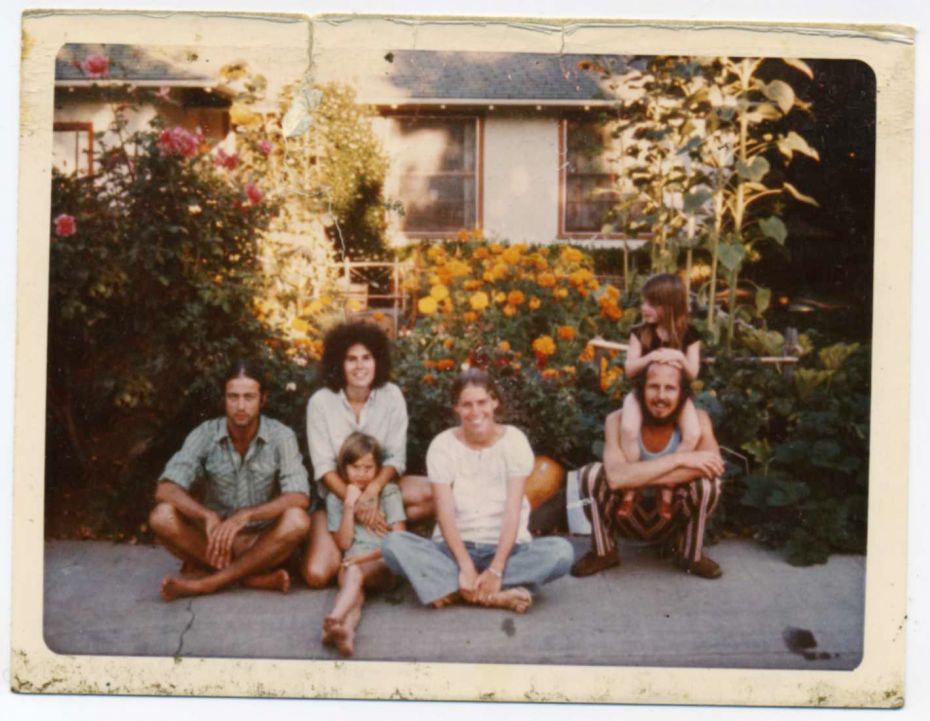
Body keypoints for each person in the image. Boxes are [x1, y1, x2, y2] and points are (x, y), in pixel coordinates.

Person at [381, 368, 574, 612]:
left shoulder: (514, 441)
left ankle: (455, 590)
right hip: (452, 551)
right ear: (456, 408)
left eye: (482, 402)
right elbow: (445, 514)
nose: (475, 412)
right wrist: (465, 566)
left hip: (509, 550)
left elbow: (512, 511)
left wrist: (496, 568)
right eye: (466, 405)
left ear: (494, 401)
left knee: (561, 553)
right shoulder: (442, 445)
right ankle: (492, 596)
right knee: (392, 544)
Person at [149, 360, 311, 601]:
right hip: (214, 541)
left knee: (297, 520)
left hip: (262, 541)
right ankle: (251, 577)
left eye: (249, 397)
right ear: (224, 399)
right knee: (162, 516)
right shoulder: (205, 433)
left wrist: (248, 515)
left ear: (262, 399)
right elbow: (165, 489)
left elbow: (299, 496)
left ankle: (208, 583)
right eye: (233, 397)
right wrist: (206, 516)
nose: (241, 406)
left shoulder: (281, 436)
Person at [302, 322, 432, 588]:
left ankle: (379, 538)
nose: (360, 366)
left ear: (377, 361)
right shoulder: (321, 402)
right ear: (339, 363)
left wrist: (372, 491)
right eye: (351, 359)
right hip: (337, 499)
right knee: (316, 575)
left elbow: (396, 458)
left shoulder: (391, 395)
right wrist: (355, 503)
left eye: (366, 358)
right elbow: (324, 468)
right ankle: (357, 544)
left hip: (382, 490)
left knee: (434, 494)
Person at [571, 360, 726, 579]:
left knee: (708, 484)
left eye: (670, 388)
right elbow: (615, 478)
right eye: (654, 386)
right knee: (591, 474)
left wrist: (635, 476)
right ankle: (604, 552)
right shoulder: (616, 420)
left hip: (672, 515)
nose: (661, 396)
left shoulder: (699, 420)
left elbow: (714, 465)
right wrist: (679, 460)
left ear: (682, 393)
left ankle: (690, 554)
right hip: (626, 516)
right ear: (641, 390)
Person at [618, 272, 703, 520]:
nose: (644, 308)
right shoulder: (640, 333)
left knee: (693, 434)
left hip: (678, 398)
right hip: (641, 394)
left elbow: (693, 374)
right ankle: (631, 487)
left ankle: (666, 488)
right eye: (644, 302)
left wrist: (678, 357)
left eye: (651, 304)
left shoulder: (689, 335)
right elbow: (630, 369)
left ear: (670, 306)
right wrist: (650, 357)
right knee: (629, 429)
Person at [322, 432, 406, 657]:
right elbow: (343, 543)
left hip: (381, 562)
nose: (361, 474)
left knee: (353, 572)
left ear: (378, 468)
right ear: (344, 468)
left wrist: (362, 559)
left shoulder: (389, 492)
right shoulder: (335, 498)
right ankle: (345, 631)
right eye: (355, 467)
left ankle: (334, 617)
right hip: (352, 562)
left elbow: (400, 544)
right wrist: (349, 507)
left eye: (368, 468)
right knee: (355, 595)